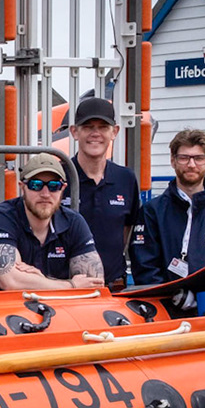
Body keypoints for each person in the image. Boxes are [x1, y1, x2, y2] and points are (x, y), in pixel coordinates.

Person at [132, 129, 205, 290]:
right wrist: (170, 296)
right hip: (163, 307)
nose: (191, 165)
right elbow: (144, 264)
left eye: (199, 158)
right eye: (184, 158)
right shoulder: (153, 211)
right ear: (173, 161)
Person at [0, 153, 106, 292]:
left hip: (56, 308)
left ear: (63, 188)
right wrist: (71, 285)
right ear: (22, 186)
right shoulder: (1, 219)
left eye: (54, 186)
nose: (45, 194)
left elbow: (94, 284)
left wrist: (43, 280)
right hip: (3, 309)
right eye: (36, 185)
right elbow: (11, 282)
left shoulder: (73, 222)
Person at [64, 98, 142, 290]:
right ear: (74, 132)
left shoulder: (126, 178)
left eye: (103, 127)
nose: (95, 134)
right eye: (88, 127)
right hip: (66, 288)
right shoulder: (58, 178)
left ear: (114, 132)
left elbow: (126, 232)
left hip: (114, 288)